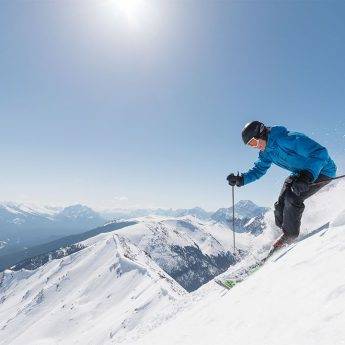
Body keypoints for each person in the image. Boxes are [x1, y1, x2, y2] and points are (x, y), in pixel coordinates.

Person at [227, 121, 337, 248]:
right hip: (300, 173)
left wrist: (307, 175)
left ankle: (290, 236)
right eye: (250, 145)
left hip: (321, 171)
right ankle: (285, 231)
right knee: (280, 207)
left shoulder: (287, 138)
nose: (254, 147)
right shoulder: (266, 152)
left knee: (292, 197)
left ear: (261, 134)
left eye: (253, 142)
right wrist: (242, 179)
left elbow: (320, 153)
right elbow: (259, 169)